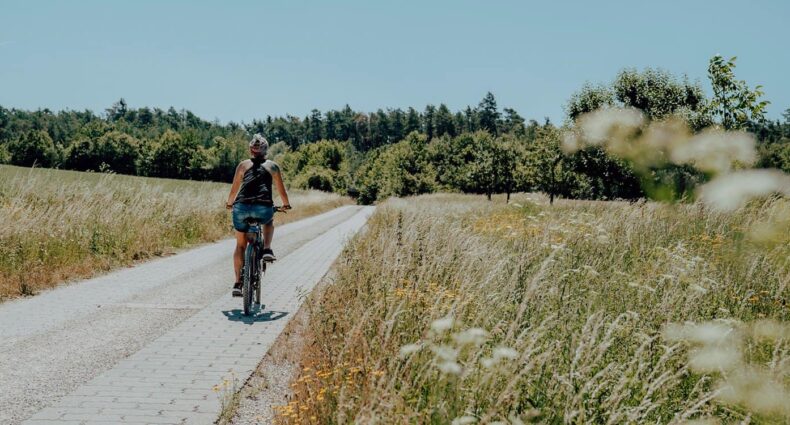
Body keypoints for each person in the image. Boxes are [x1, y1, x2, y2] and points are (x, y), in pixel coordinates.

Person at [225, 134, 291, 297]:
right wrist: (286, 204)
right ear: (265, 150)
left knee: (240, 245)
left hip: (241, 207)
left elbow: (234, 188)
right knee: (268, 221)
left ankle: (238, 283)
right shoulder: (273, 166)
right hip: (263, 207)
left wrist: (229, 203)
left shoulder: (242, 165)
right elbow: (281, 189)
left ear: (250, 150)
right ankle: (267, 249)